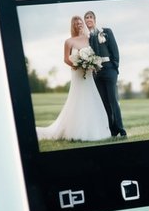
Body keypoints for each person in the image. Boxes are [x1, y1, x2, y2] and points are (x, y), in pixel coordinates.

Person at [36, 15, 111, 143]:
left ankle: (96, 130)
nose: (79, 25)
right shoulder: (69, 42)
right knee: (78, 98)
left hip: (88, 74)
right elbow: (66, 59)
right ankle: (76, 131)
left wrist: (91, 65)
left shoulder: (89, 39)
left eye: (80, 22)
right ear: (73, 26)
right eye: (76, 24)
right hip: (77, 73)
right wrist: (79, 65)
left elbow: (95, 55)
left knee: (91, 97)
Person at [84, 9, 126, 137]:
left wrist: (115, 67)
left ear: (95, 20)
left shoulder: (106, 32)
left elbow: (115, 50)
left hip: (110, 70)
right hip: (97, 73)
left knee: (113, 100)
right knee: (104, 102)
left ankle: (121, 129)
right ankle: (112, 131)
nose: (89, 19)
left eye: (90, 17)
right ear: (85, 22)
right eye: (86, 18)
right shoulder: (86, 37)